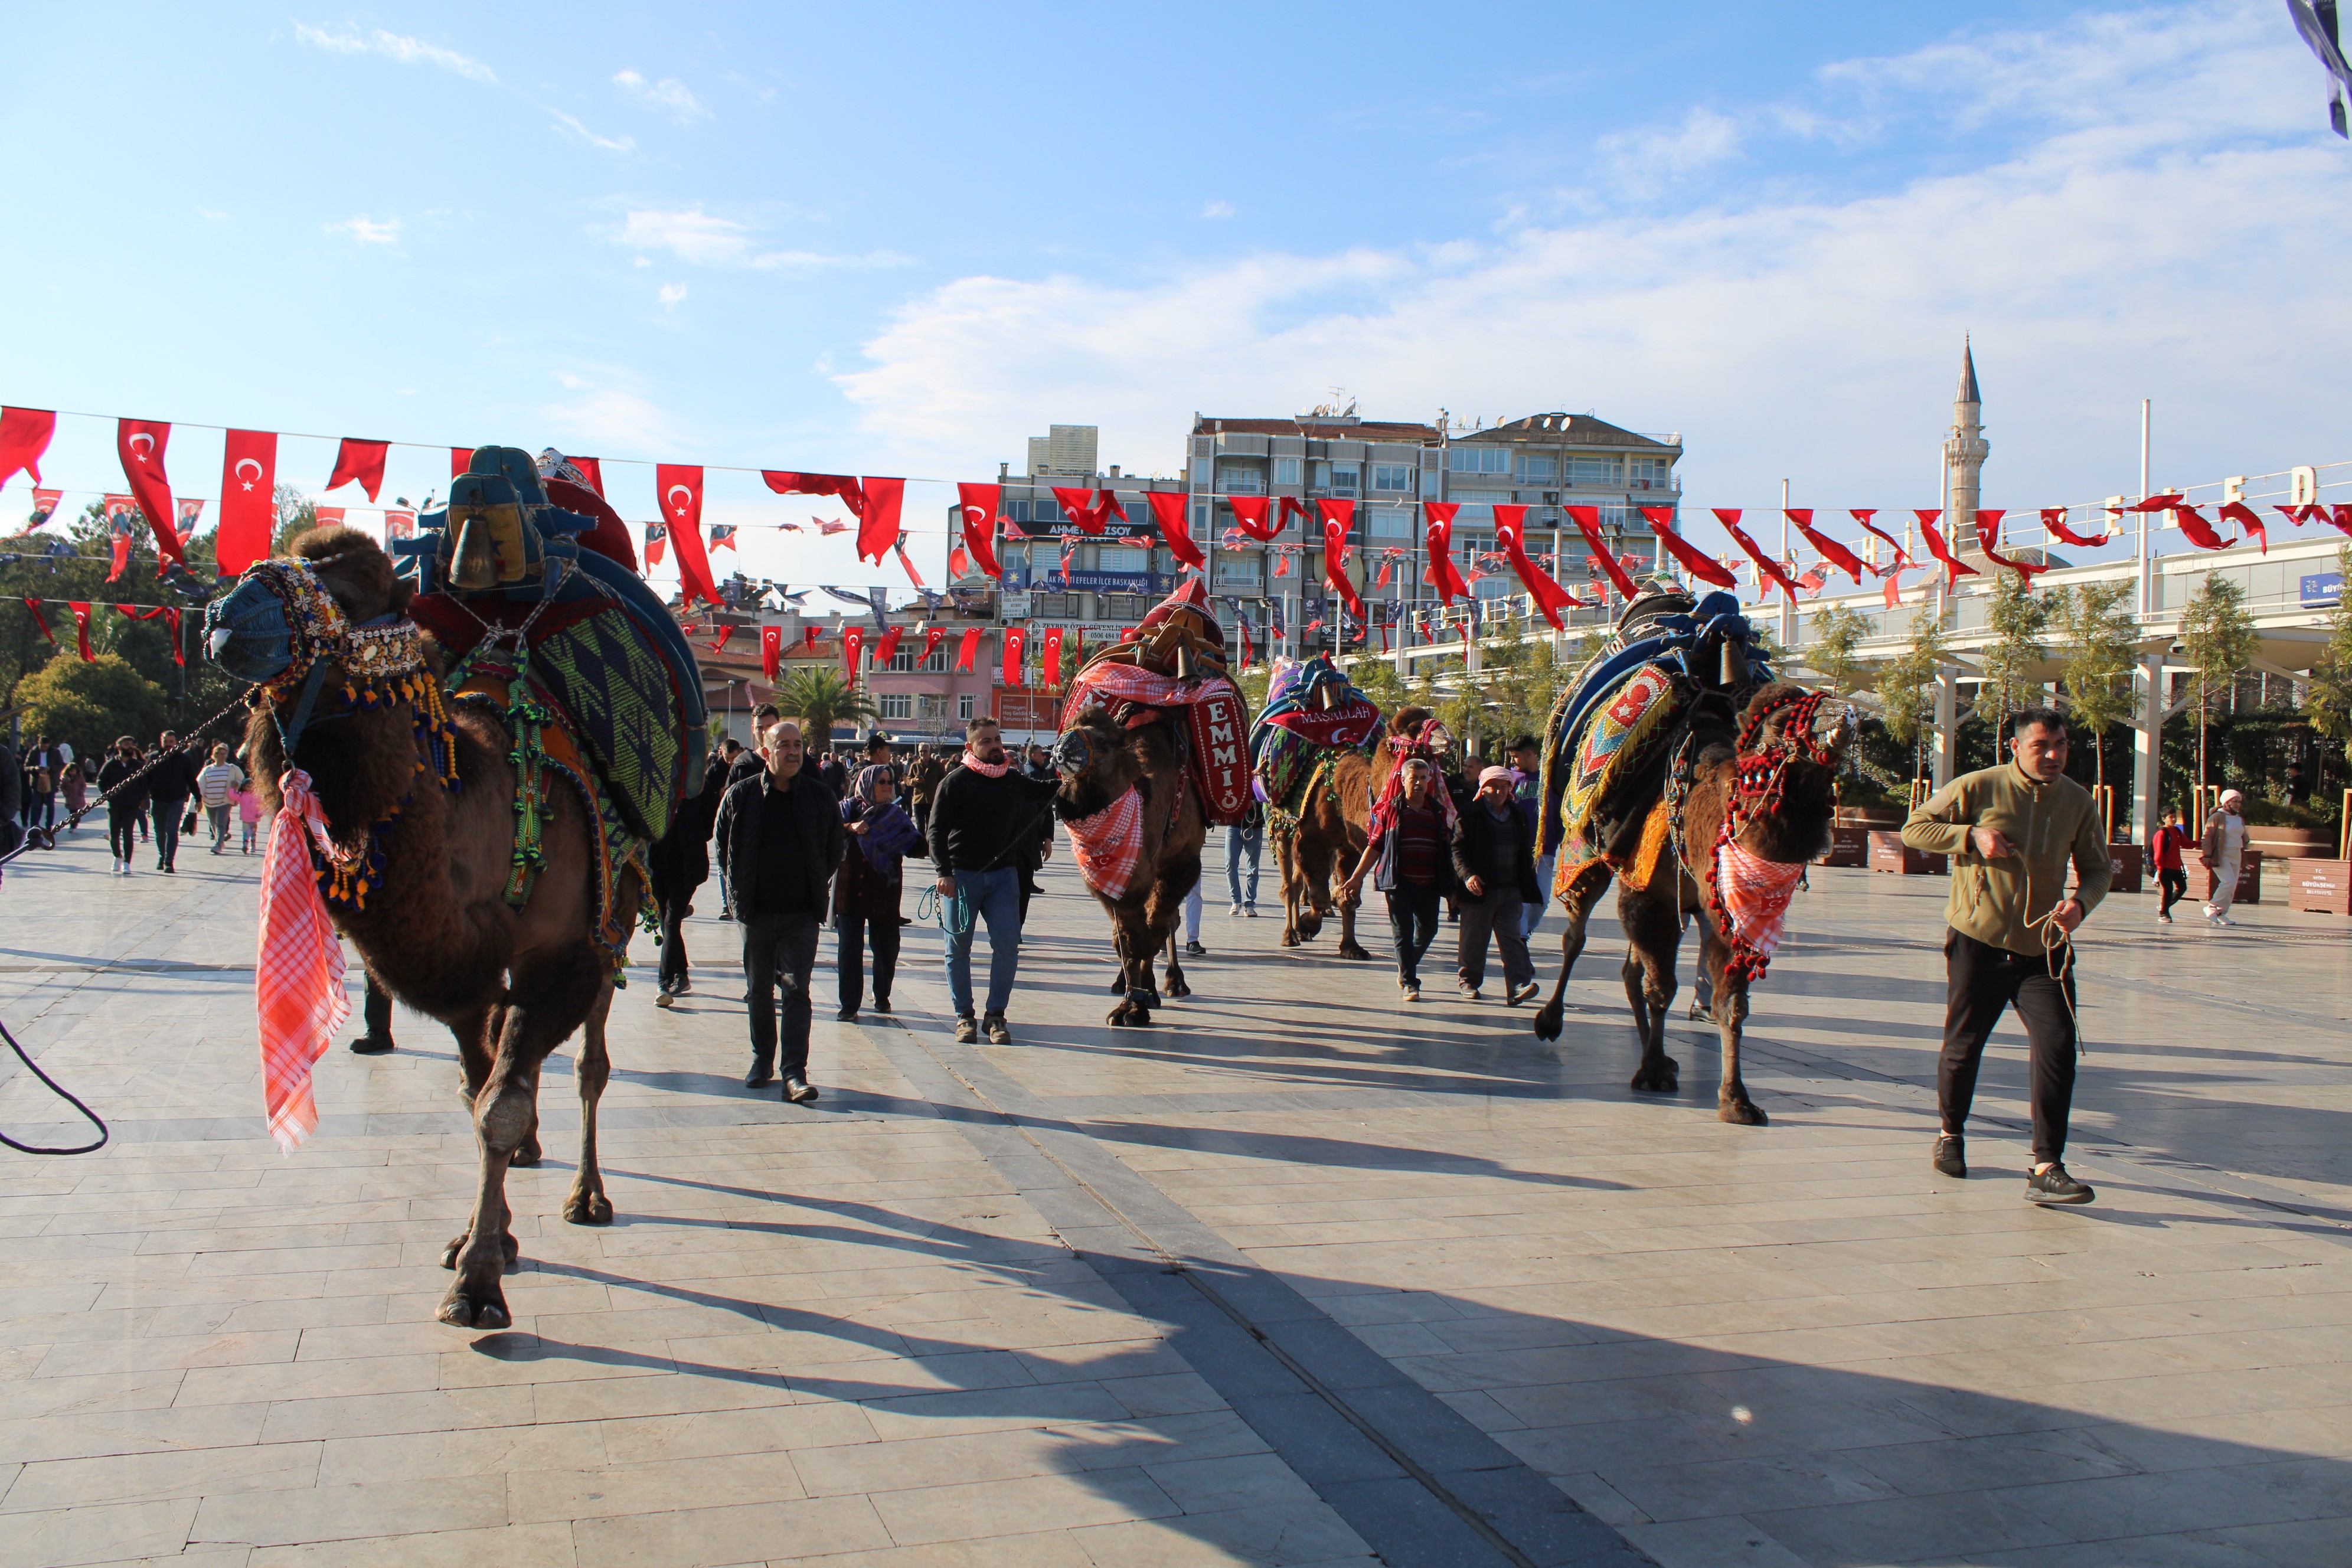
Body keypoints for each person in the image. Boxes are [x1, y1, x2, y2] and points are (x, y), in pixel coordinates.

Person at [1901, 708, 2112, 1205]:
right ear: (2015, 747)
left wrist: (2081, 904)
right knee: (1964, 1044)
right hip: (1979, 939)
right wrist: (1970, 836)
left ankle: (2047, 1165)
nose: (2055, 755)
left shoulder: (2079, 802)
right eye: (2043, 746)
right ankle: (1951, 1134)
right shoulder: (1977, 787)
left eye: (2061, 745)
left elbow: (2099, 869)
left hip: (2044, 949)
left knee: (2058, 1044)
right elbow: (1914, 829)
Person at [714, 720, 844, 1102]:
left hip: (802, 913)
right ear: (766, 752)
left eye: (798, 744)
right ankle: (761, 1061)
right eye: (783, 745)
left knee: (796, 991)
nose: (792, 751)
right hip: (756, 912)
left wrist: (816, 882)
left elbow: (834, 848)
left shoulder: (819, 798)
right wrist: (739, 893)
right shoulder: (741, 796)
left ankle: (794, 1073)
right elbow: (724, 850)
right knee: (758, 992)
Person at [928, 717, 1060, 1043]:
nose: (995, 745)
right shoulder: (955, 782)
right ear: (969, 747)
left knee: (1007, 946)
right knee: (957, 950)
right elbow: (935, 831)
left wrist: (1072, 777)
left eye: (997, 738)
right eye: (986, 741)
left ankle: (996, 1016)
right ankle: (964, 1017)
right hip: (961, 879)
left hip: (1005, 877)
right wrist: (943, 872)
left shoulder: (1012, 779)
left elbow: (1046, 791)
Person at [1341, 757, 1458, 1002]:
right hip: (1399, 883)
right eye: (1413, 778)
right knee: (1402, 933)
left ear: (1428, 781)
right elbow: (1374, 846)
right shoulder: (1391, 810)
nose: (1418, 783)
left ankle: (1407, 965)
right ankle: (1410, 983)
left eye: (1423, 778)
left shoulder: (1437, 811)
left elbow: (1449, 849)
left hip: (1429, 883)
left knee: (1429, 930)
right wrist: (1356, 878)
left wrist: (1454, 884)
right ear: (1403, 780)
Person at [835, 765, 925, 1020]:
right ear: (867, 784)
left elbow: (915, 845)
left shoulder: (896, 816)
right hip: (850, 886)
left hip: (884, 889)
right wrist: (851, 828)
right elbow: (826, 831)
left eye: (890, 782)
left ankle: (882, 995)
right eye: (882, 782)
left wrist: (937, 844)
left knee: (886, 946)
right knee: (849, 948)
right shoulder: (847, 809)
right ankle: (849, 1004)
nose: (887, 786)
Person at [1452, 765, 1541, 1004]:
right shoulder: (1469, 814)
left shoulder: (1518, 814)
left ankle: (1518, 986)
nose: (1499, 791)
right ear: (1483, 788)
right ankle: (1469, 983)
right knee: (1474, 941)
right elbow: (1457, 849)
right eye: (1494, 786)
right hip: (1480, 891)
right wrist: (1468, 875)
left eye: (1504, 786)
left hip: (1511, 890)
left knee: (1513, 939)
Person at [649, 749, 727, 1007]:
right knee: (667, 921)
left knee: (672, 922)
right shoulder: (655, 792)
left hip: (686, 868)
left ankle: (663, 982)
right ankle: (681, 974)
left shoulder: (701, 793)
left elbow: (708, 829)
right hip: (657, 865)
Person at [1508, 735, 1556, 940]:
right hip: (1518, 850)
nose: (1513, 762)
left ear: (1530, 755)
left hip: (1545, 850)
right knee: (1522, 900)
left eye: (1516, 757)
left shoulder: (1551, 780)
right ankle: (1520, 943)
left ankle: (1526, 930)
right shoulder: (1510, 779)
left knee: (1542, 900)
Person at [145, 730, 200, 873]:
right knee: (159, 831)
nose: (169, 744)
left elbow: (191, 779)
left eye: (171, 741)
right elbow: (145, 779)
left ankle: (169, 861)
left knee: (172, 830)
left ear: (176, 743)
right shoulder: (153, 757)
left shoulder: (183, 759)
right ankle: (161, 857)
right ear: (162, 742)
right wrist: (142, 798)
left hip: (176, 799)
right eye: (166, 741)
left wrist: (198, 798)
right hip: (157, 799)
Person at [97, 737, 148, 876]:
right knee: (114, 835)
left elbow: (144, 783)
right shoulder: (111, 764)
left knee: (128, 834)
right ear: (119, 747)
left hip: (131, 805)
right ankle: (117, 856)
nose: (130, 747)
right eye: (126, 744)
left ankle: (127, 863)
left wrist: (139, 798)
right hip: (114, 805)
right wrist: (106, 794)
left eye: (131, 744)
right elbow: (101, 780)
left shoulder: (137, 765)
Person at [2200, 788, 2249, 926]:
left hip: (2236, 853)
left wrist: (2246, 838)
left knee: (2232, 885)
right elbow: (2207, 837)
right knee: (2227, 882)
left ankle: (2221, 913)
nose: (2238, 804)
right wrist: (2207, 855)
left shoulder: (2239, 818)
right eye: (2235, 801)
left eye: (2240, 802)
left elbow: (2241, 834)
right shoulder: (2217, 816)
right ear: (2226, 802)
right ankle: (2212, 906)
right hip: (2222, 854)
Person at [196, 743, 245, 855]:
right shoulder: (207, 770)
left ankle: (218, 845)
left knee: (221, 824)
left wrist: (237, 783)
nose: (223, 756)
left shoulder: (231, 768)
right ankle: (221, 841)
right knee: (213, 823)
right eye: (220, 754)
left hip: (225, 801)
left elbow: (241, 779)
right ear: (215, 755)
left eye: (225, 754)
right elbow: (200, 783)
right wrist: (198, 799)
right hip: (210, 801)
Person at [2150, 807, 2189, 925]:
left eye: (2175, 816)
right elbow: (2158, 853)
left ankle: (2163, 907)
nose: (2174, 819)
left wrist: (2202, 842)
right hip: (2165, 868)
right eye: (2171, 817)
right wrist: (2160, 869)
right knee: (2168, 890)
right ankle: (2164, 914)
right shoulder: (2161, 833)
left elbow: (2186, 844)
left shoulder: (2177, 831)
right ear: (2164, 819)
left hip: (2176, 867)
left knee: (2182, 888)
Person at [1226, 795, 1263, 917]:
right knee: (1231, 863)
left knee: (1253, 867)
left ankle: (1250, 903)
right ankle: (1235, 901)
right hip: (1234, 825)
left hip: (1254, 826)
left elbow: (1268, 798)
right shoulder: (1234, 776)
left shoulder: (1260, 777)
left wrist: (1254, 803)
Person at [21, 735, 60, 835]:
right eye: (42, 747)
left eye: (45, 747)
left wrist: (50, 768)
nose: (43, 749)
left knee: (50, 806)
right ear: (39, 744)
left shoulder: (55, 752)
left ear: (49, 745)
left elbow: (61, 765)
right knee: (36, 806)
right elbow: (26, 767)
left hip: (51, 782)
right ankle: (34, 827)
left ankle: (49, 827)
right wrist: (34, 768)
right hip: (37, 782)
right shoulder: (33, 752)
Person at [235, 776, 263, 853]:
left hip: (254, 818)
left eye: (252, 786)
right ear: (244, 787)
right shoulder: (241, 795)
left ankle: (253, 846)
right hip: (245, 819)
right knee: (246, 833)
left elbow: (263, 805)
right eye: (248, 786)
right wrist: (232, 788)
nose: (250, 788)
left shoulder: (257, 795)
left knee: (253, 833)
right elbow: (233, 796)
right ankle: (245, 845)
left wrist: (261, 813)